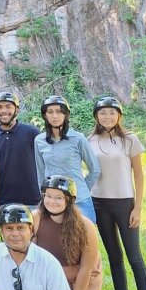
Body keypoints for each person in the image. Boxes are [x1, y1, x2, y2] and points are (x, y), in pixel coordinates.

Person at [88, 97, 146, 290]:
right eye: (103, 113)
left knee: (134, 258)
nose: (107, 117)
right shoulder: (90, 141)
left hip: (125, 203)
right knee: (114, 258)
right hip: (99, 203)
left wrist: (138, 207)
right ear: (96, 116)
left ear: (119, 116)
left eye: (112, 113)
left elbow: (139, 176)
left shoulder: (130, 140)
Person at [34, 95, 100, 223]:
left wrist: (78, 190)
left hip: (79, 201)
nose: (54, 116)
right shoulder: (39, 141)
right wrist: (45, 197)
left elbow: (95, 169)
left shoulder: (78, 138)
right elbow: (41, 174)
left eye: (59, 111)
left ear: (66, 115)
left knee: (84, 241)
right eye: (50, 112)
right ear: (45, 115)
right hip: (52, 203)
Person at [0, 90, 41, 214]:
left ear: (17, 110)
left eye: (8, 106)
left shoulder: (32, 133)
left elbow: (45, 165)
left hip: (34, 201)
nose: (4, 111)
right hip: (5, 202)